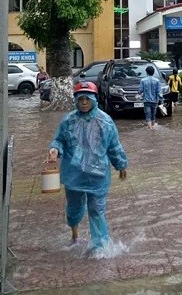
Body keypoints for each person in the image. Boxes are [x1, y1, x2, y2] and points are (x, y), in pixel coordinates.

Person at [47, 81, 128, 251]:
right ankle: (75, 235)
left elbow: (114, 145)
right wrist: (55, 149)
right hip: (74, 173)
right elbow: (59, 139)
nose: (84, 102)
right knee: (74, 206)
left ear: (94, 100)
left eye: (87, 99)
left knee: (97, 209)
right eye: (81, 99)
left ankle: (100, 246)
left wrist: (121, 165)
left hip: (97, 175)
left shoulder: (105, 122)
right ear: (75, 100)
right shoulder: (68, 121)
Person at [139, 65, 164, 129]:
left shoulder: (143, 80)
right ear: (153, 72)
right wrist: (162, 101)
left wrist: (138, 94)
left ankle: (150, 129)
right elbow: (159, 92)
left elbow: (140, 91)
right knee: (153, 115)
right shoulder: (157, 81)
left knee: (148, 115)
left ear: (147, 72)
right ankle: (152, 127)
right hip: (155, 101)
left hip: (146, 101)